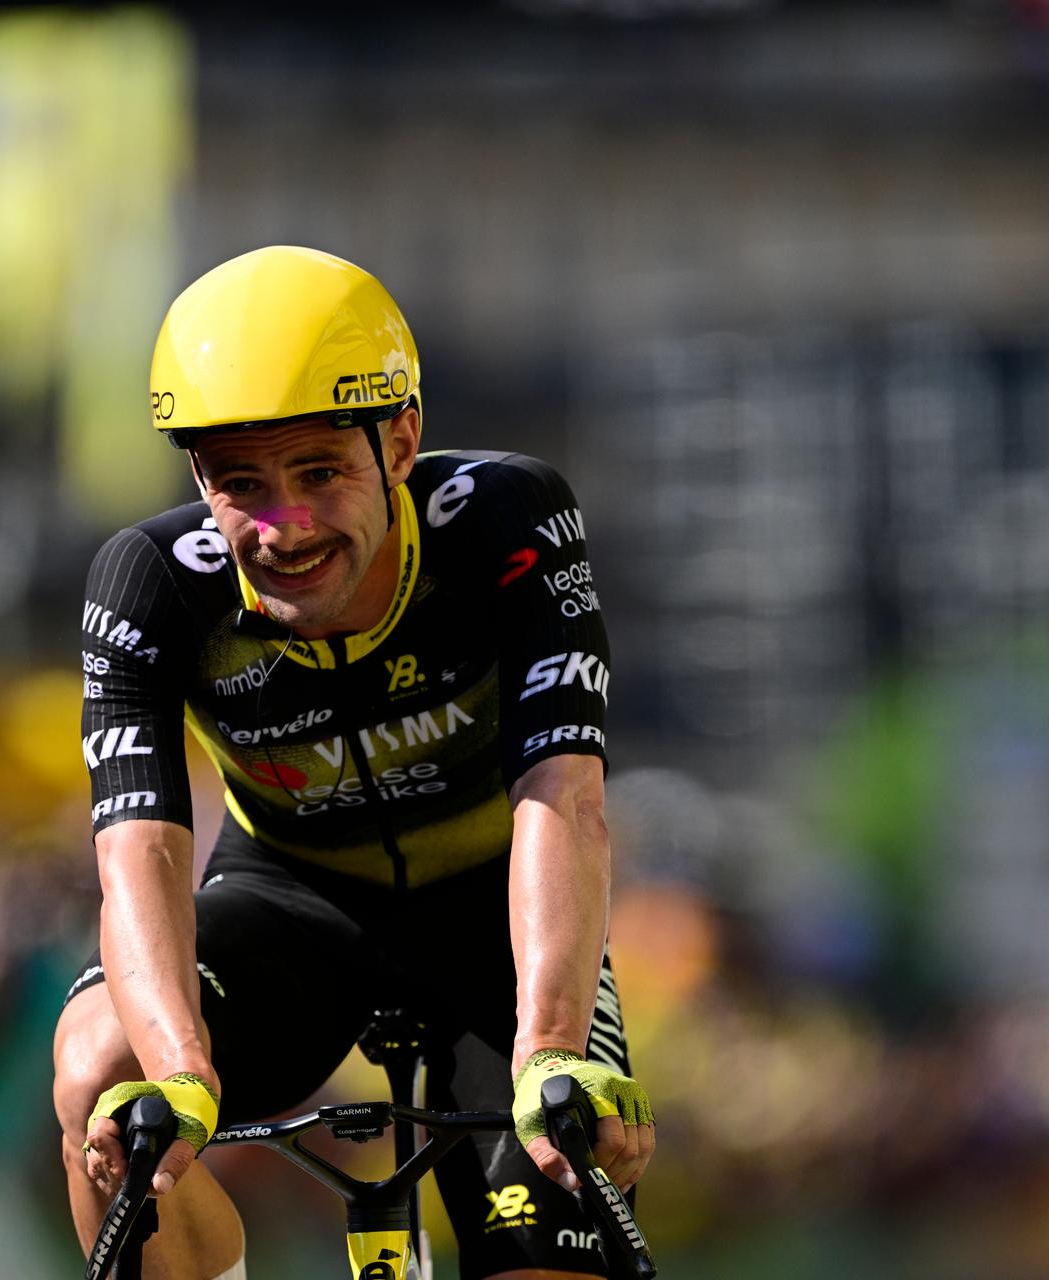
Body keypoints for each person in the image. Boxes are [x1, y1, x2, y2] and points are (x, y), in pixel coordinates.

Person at [51, 245, 655, 1280]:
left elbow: (564, 791)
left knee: (560, 1167)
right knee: (103, 1065)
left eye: (320, 472)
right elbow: (139, 854)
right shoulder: (151, 583)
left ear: (403, 439)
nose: (285, 525)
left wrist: (554, 1039)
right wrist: (182, 1069)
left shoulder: (506, 523)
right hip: (290, 909)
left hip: (494, 923)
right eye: (241, 483)